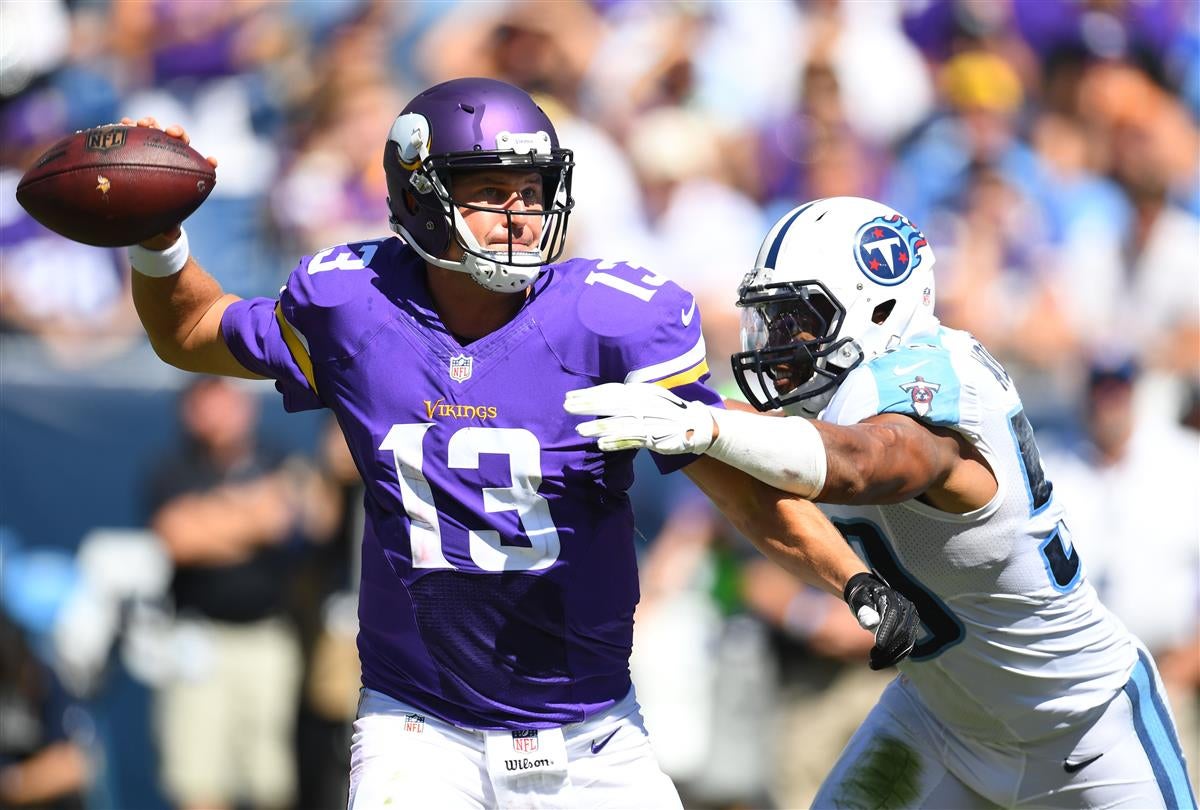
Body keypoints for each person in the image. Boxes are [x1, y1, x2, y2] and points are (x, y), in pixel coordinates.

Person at [116, 80, 917, 808]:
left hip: (594, 733)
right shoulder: (352, 303)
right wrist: (159, 242)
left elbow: (733, 483)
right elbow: (190, 330)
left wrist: (853, 581)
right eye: (491, 191)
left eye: (531, 191)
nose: (520, 215)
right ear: (422, 196)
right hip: (420, 732)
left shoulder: (614, 321)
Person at [565, 196, 1198, 809]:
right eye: (771, 319)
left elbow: (863, 462)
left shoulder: (940, 381)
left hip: (1084, 727)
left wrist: (708, 427)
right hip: (938, 722)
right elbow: (773, 488)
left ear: (877, 306)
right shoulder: (832, 407)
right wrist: (672, 399)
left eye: (797, 319)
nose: (777, 344)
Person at [146, 375, 332, 810]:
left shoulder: (277, 457)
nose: (213, 416)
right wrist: (254, 517)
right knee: (197, 778)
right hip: (198, 640)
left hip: (267, 637)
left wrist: (215, 519)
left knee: (269, 780)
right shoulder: (173, 468)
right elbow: (178, 537)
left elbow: (304, 519)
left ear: (244, 407)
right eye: (202, 405)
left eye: (223, 403)